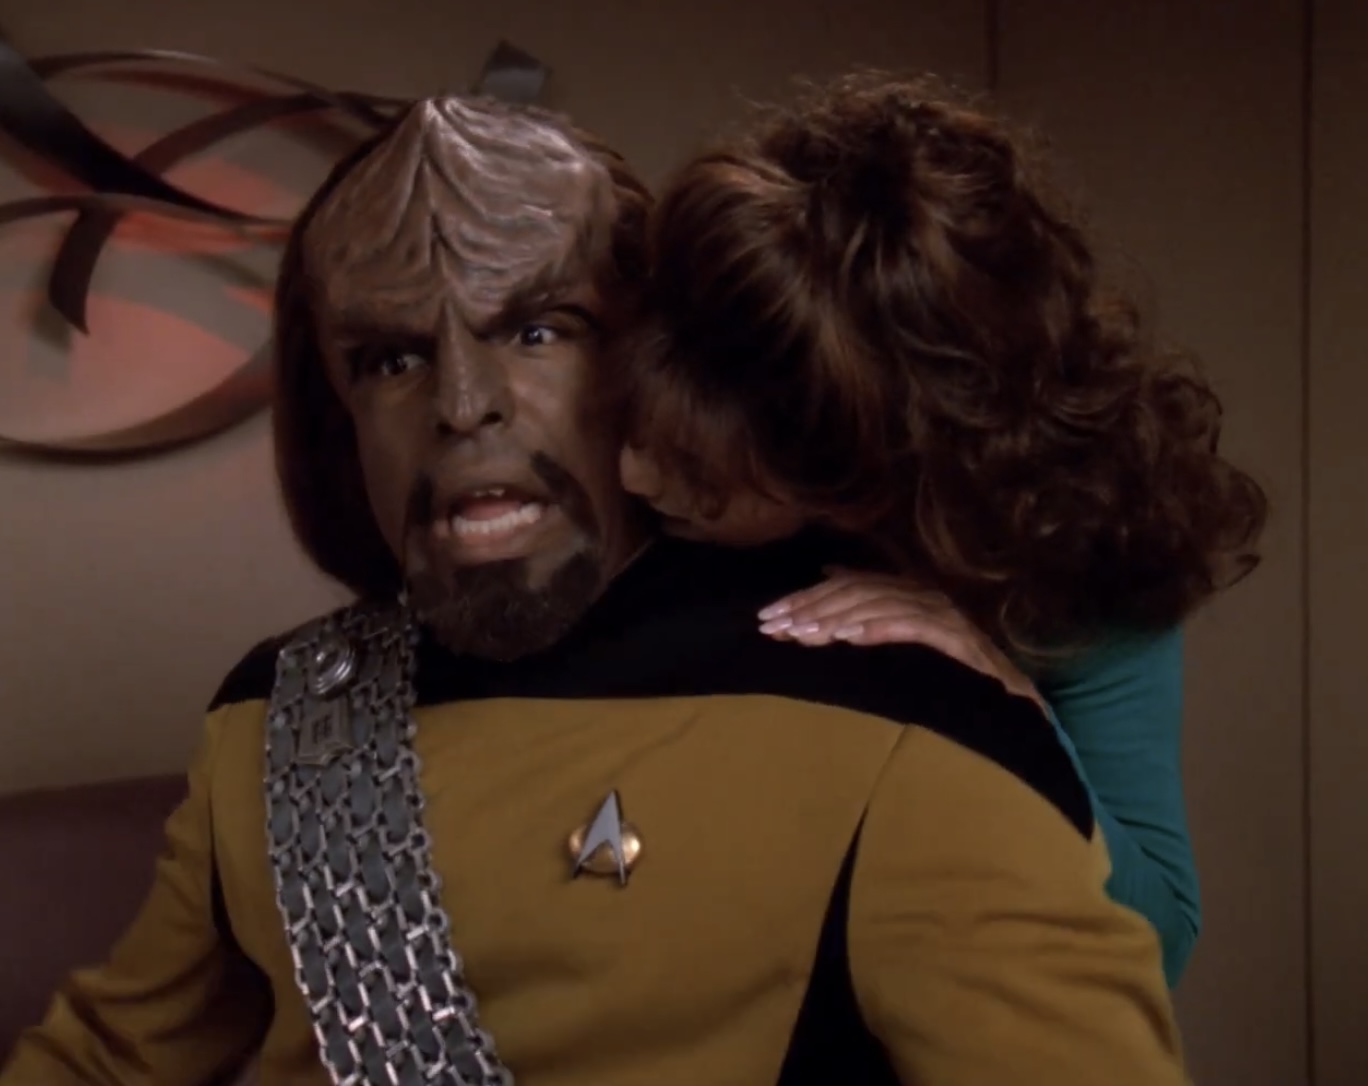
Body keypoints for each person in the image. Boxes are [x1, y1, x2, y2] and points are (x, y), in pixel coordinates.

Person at [1, 96, 1190, 1085]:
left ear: (653, 360)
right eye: (393, 357)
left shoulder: (902, 702)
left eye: (537, 331)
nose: (461, 406)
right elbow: (107, 1059)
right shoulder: (275, 712)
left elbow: (1137, 951)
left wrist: (1004, 710)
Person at [613, 72, 1267, 987]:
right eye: (631, 428)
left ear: (858, 475)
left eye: (696, 472)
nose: (633, 477)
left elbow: (1161, 940)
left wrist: (1000, 700)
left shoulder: (1088, 551)